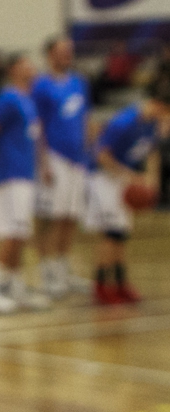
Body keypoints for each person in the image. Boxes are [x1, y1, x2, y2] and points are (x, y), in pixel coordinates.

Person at [83, 75, 170, 303]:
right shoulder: (123, 122)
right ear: (160, 106)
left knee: (122, 233)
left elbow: (152, 153)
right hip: (102, 177)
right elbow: (101, 156)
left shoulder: (153, 124)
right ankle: (101, 286)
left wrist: (152, 179)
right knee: (112, 232)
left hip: (121, 178)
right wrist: (130, 176)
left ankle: (120, 283)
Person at [0, 53, 50, 313]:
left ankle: (14, 286)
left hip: (25, 174)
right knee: (11, 232)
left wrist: (42, 167)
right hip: (9, 174)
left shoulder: (27, 99)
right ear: (14, 69)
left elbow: (34, 138)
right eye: (27, 63)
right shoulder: (7, 98)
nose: (33, 67)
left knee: (20, 232)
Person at [32, 35, 94, 298]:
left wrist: (89, 149)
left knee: (70, 216)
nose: (68, 54)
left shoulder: (80, 83)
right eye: (62, 51)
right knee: (52, 216)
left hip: (77, 158)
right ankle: (47, 271)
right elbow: (38, 126)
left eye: (70, 50)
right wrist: (42, 161)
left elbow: (85, 117)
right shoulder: (41, 86)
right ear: (50, 55)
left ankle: (64, 268)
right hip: (54, 157)